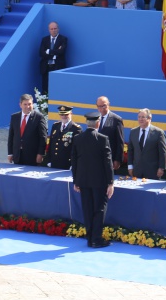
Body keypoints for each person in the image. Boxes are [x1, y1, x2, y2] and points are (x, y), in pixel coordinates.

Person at [70, 112, 114, 248]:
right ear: (98, 123)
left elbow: (75, 161)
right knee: (99, 209)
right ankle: (96, 239)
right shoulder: (102, 139)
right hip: (99, 181)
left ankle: (90, 237)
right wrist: (111, 182)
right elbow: (108, 162)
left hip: (83, 181)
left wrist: (76, 180)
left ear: (86, 123)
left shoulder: (78, 138)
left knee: (87, 209)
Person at [127, 108, 166, 180]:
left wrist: (161, 168)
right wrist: (130, 166)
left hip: (152, 171)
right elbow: (130, 150)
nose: (140, 119)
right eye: (139, 117)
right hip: (137, 171)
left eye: (143, 117)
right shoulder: (133, 131)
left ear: (149, 118)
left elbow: (163, 152)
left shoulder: (158, 133)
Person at [7, 93, 47, 166]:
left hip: (32, 156)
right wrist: (10, 153)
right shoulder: (14, 117)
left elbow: (43, 137)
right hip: (17, 155)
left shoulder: (38, 117)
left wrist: (40, 153)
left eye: (29, 104)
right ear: (20, 105)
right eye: (25, 104)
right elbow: (11, 136)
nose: (27, 106)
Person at [44, 105, 82, 170]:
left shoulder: (76, 129)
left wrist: (73, 164)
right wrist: (49, 159)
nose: (64, 116)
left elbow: (77, 149)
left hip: (67, 163)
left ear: (71, 114)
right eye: (62, 114)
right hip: (54, 162)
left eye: (66, 114)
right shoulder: (55, 126)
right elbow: (51, 144)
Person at [95, 96, 125, 173]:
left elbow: (120, 141)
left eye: (104, 105)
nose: (101, 108)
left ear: (108, 105)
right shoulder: (95, 118)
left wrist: (117, 159)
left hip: (109, 157)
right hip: (96, 157)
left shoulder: (116, 119)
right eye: (99, 106)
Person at [39, 22, 67, 94]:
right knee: (45, 88)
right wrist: (54, 54)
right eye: (51, 29)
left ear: (58, 29)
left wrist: (48, 51)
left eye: (55, 28)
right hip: (46, 67)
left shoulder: (63, 39)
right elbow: (41, 53)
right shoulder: (44, 39)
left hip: (57, 67)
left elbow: (61, 52)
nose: (53, 30)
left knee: (57, 87)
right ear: (49, 30)